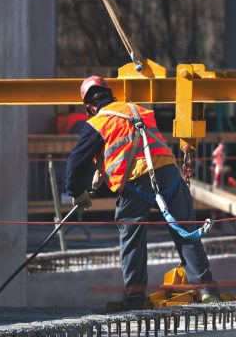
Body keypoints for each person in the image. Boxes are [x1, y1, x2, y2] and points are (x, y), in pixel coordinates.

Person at [65, 75, 220, 310]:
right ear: (109, 94)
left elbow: (76, 163)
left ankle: (134, 299)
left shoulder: (97, 122)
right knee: (186, 229)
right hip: (168, 172)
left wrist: (77, 192)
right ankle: (208, 291)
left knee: (132, 237)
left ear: (89, 106)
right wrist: (103, 170)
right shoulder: (138, 109)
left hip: (137, 180)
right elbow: (130, 143)